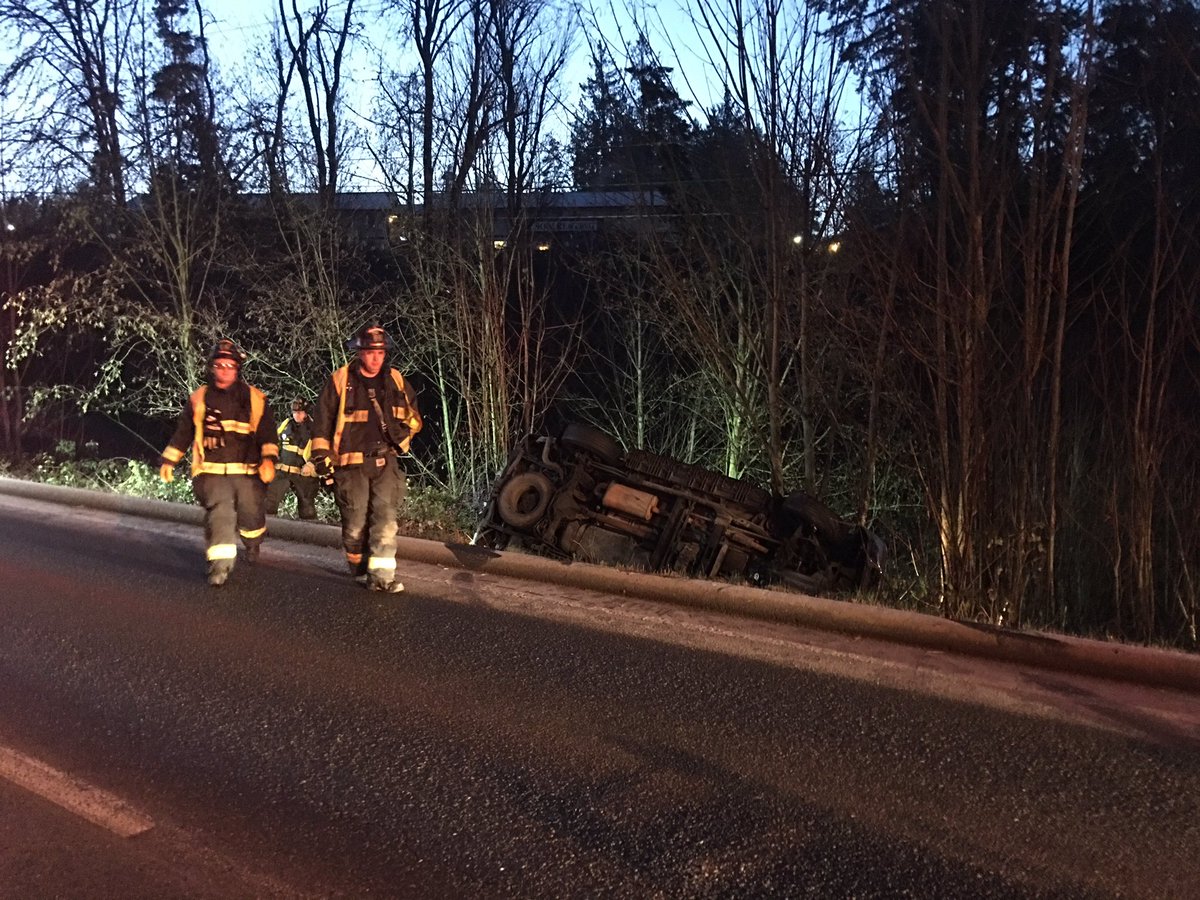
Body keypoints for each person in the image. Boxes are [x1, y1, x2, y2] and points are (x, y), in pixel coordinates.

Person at [311, 323, 422, 593]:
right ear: (359, 352)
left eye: (381, 353)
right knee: (355, 523)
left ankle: (382, 576)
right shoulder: (340, 380)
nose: (376, 358)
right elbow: (322, 424)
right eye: (371, 352)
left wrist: (400, 443)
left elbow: (414, 419)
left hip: (385, 462)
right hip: (350, 466)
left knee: (385, 519)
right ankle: (358, 565)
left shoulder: (395, 380)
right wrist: (322, 459)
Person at [159, 339, 279, 586]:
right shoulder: (199, 399)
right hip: (211, 471)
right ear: (212, 367)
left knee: (251, 514)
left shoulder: (255, 399)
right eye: (219, 364)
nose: (224, 370)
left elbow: (268, 433)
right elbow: (184, 432)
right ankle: (220, 566)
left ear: (237, 369)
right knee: (220, 512)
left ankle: (253, 542)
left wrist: (268, 460)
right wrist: (169, 460)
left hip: (247, 472)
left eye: (229, 365)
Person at [265, 397, 319, 520]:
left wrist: (311, 464)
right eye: (294, 412)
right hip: (282, 471)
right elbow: (274, 441)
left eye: (299, 412)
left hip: (302, 474)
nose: (296, 415)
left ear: (306, 413)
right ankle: (267, 531)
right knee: (269, 503)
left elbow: (319, 450)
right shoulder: (286, 424)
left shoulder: (313, 429)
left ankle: (309, 534)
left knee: (307, 508)